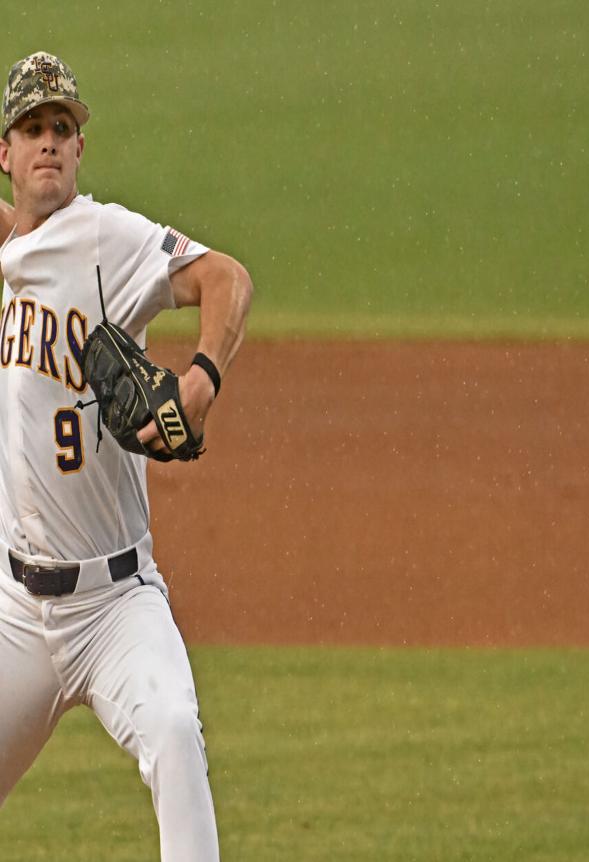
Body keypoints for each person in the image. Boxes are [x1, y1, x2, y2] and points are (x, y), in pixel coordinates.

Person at [0, 52, 253, 860]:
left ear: (80, 150)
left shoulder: (110, 237)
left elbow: (227, 278)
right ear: (5, 153)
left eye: (63, 129)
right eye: (32, 128)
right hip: (17, 609)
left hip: (116, 605)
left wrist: (201, 382)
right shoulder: (9, 254)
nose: (49, 142)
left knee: (175, 730)